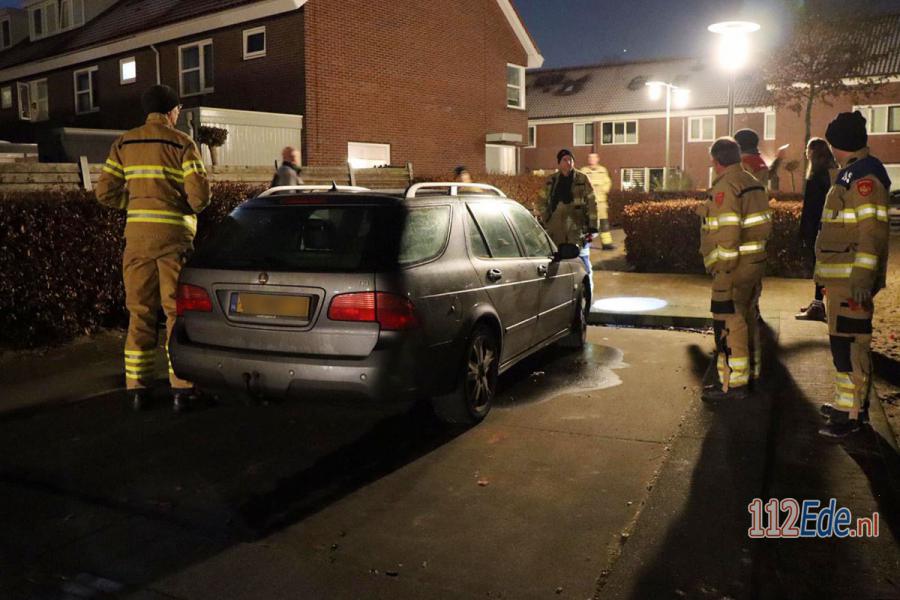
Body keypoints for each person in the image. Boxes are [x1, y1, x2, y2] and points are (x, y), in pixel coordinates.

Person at [95, 84, 211, 413]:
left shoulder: (124, 143)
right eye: (177, 110)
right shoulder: (182, 143)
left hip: (137, 240)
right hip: (174, 239)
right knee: (176, 313)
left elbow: (104, 193)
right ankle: (182, 388)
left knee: (140, 313)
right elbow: (200, 199)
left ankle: (138, 388)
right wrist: (180, 206)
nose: (178, 115)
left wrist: (134, 205)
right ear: (171, 111)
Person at [815, 111, 891, 439]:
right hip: (842, 281)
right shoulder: (851, 175)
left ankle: (853, 415)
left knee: (850, 347)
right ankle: (845, 406)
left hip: (851, 283)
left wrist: (862, 278)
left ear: (838, 144)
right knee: (841, 345)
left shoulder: (863, 181)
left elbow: (871, 233)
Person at [697, 137, 772, 401]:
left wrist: (723, 267)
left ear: (716, 161)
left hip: (733, 268)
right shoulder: (752, 182)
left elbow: (728, 230)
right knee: (747, 318)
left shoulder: (726, 186)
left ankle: (731, 383)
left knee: (728, 321)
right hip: (753, 264)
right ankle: (749, 374)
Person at [537, 149, 598, 294]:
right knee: (557, 262)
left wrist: (593, 227)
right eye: (564, 159)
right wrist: (547, 220)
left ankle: (587, 292)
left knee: (583, 261)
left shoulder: (582, 180)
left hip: (577, 229)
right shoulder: (551, 181)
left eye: (570, 160)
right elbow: (541, 202)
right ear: (559, 163)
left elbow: (592, 203)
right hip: (556, 230)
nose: (568, 162)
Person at [795, 138, 838, 322]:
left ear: (813, 153)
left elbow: (811, 208)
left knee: (819, 267)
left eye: (807, 149)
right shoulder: (833, 173)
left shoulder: (816, 176)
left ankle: (819, 306)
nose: (805, 152)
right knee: (825, 266)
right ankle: (818, 302)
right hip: (831, 226)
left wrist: (803, 232)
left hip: (818, 228)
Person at [580, 152, 615, 250]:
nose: (592, 160)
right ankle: (584, 243)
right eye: (590, 158)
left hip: (601, 202)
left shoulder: (603, 170)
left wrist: (603, 189)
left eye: (594, 158)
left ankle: (607, 244)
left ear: (597, 159)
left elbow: (607, 183)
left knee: (604, 223)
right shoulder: (583, 171)